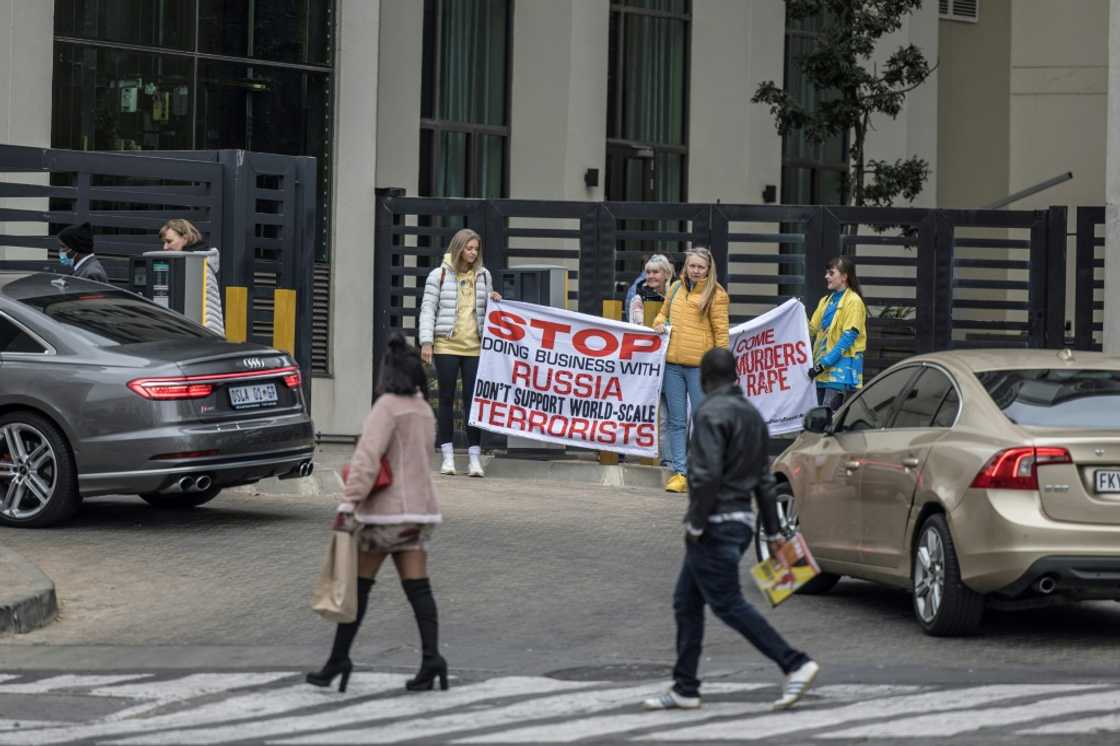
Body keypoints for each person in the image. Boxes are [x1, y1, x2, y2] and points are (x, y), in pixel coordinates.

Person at [642, 347, 820, 714]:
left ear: (705, 380)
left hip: (714, 524)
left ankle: (795, 663)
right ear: (734, 376)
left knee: (727, 603)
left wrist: (694, 522)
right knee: (686, 601)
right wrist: (773, 532)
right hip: (741, 523)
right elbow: (764, 481)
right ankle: (685, 687)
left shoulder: (708, 412)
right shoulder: (752, 416)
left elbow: (705, 476)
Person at [307, 334, 450, 693]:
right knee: (418, 588)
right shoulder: (422, 409)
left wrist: (348, 503)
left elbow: (367, 459)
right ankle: (432, 659)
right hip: (419, 511)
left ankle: (338, 660)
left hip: (385, 514)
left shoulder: (386, 407)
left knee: (359, 586)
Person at [418, 228, 501, 478]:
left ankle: (474, 458)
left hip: (475, 347)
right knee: (445, 399)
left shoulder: (484, 276)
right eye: (469, 248)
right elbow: (428, 309)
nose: (473, 253)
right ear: (459, 248)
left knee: (472, 402)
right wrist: (426, 342)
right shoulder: (439, 275)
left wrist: (495, 299)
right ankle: (448, 457)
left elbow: (488, 309)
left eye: (476, 249)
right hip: (447, 345)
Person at [652, 247, 729, 494]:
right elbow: (662, 314)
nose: (695, 271)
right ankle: (680, 472)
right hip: (673, 365)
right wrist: (659, 323)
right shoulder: (674, 288)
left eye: (700, 267)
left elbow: (721, 334)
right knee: (676, 422)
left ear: (709, 269)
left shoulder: (716, 294)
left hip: (701, 368)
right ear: (685, 267)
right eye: (691, 266)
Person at [629, 254, 675, 469]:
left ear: (666, 274)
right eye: (648, 272)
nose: (651, 276)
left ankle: (668, 459)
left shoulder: (678, 297)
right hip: (646, 365)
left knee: (670, 416)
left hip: (673, 362)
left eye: (656, 272)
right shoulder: (638, 298)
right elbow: (641, 324)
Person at [807, 257, 867, 413]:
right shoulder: (826, 301)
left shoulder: (854, 302)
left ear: (844, 276)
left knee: (826, 420)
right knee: (818, 419)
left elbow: (848, 337)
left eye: (831, 273)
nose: (826, 276)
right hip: (821, 371)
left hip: (838, 372)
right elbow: (811, 329)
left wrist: (824, 364)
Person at [160, 218, 225, 337]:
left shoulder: (196, 265)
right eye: (164, 242)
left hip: (203, 338)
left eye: (169, 241)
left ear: (185, 238)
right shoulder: (190, 262)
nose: (165, 247)